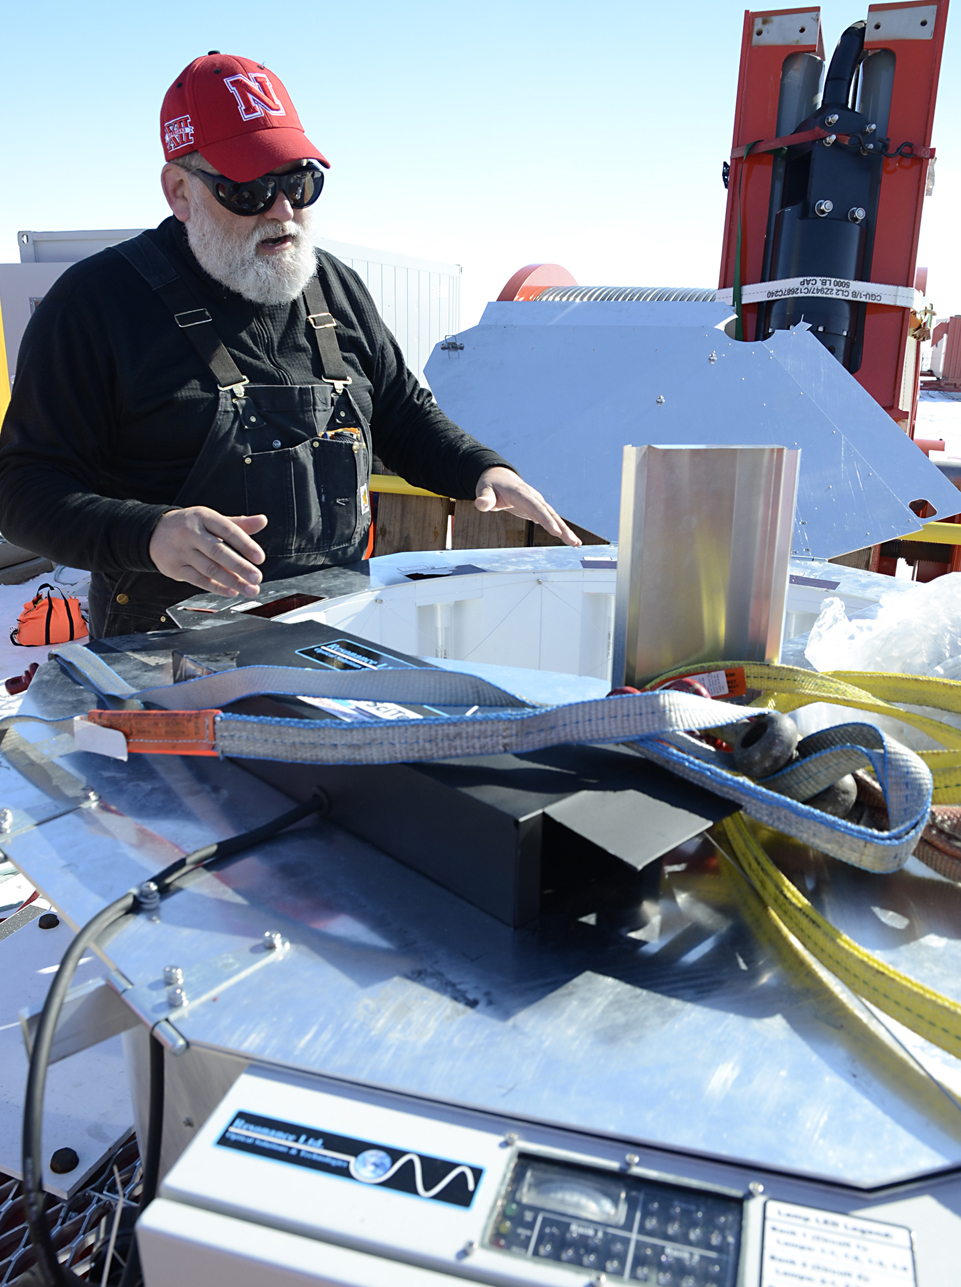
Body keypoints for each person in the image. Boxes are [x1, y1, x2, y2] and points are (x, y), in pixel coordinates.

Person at [0, 52, 579, 638]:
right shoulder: (95, 304)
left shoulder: (334, 287)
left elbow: (402, 412)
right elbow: (22, 490)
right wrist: (148, 532)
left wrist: (480, 469)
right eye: (248, 191)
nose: (283, 212)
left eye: (301, 183)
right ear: (180, 190)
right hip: (169, 663)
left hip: (338, 634)